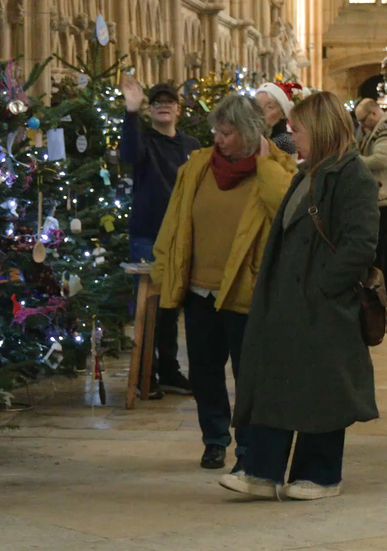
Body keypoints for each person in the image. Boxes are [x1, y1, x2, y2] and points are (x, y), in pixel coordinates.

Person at [224, 91, 380, 500]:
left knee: (321, 391)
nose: (292, 136)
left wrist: (322, 288)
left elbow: (360, 245)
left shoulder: (352, 176)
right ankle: (261, 470)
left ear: (323, 129)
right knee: (280, 384)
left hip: (322, 307)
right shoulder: (308, 172)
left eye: (299, 129)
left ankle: (321, 475)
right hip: (289, 304)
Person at [152, 94, 295, 471]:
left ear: (249, 134)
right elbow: (175, 221)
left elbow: (284, 210)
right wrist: (164, 269)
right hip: (200, 290)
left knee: (248, 375)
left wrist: (264, 162)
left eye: (228, 133)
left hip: (245, 292)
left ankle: (248, 447)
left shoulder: (276, 169)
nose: (219, 139)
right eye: (217, 131)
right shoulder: (198, 167)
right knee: (204, 371)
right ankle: (214, 439)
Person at [120, 76, 200, 397]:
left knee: (170, 307)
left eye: (169, 102)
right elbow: (127, 154)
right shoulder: (143, 141)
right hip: (148, 233)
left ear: (178, 109)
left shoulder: (192, 146)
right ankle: (145, 374)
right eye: (157, 102)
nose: (163, 106)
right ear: (151, 109)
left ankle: (169, 370)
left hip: (182, 235)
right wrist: (131, 109)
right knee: (146, 306)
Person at [355, 98, 387, 297]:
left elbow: (381, 160)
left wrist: (354, 160)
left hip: (386, 193)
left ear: (374, 114)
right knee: (385, 239)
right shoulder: (381, 125)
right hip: (384, 191)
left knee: (383, 240)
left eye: (363, 120)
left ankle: (384, 284)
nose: (361, 125)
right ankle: (384, 282)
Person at [255, 82, 299, 156]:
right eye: (258, 106)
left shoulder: (284, 142)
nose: (261, 111)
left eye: (269, 107)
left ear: (282, 113)